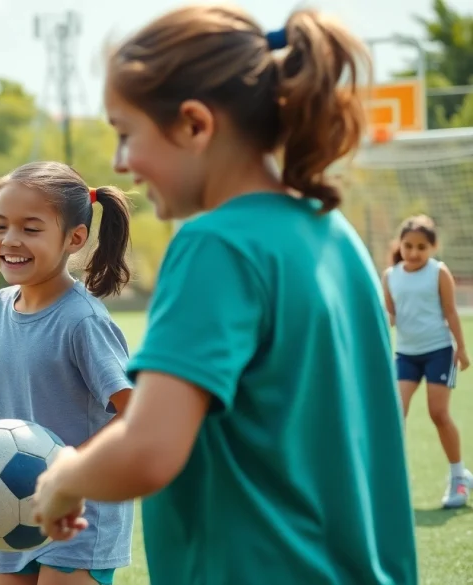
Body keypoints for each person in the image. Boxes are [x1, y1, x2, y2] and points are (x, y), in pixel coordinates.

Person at [29, 5, 419, 584]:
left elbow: (149, 449)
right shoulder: (334, 234)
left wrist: (63, 478)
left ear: (193, 124)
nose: (119, 163)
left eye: (125, 132)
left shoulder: (216, 246)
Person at [0, 161, 135, 585]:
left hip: (80, 511)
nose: (11, 241)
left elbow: (134, 413)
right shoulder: (3, 308)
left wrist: (71, 469)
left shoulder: (82, 321)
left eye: (31, 229)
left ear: (75, 238)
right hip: (13, 511)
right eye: (0, 226)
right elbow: (8, 398)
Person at [383, 214, 471, 508]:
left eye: (422, 246)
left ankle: (459, 477)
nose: (414, 252)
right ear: (400, 245)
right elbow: (392, 315)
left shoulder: (438, 272)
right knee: (395, 415)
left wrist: (461, 348)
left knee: (438, 414)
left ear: (432, 247)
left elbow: (450, 311)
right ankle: (390, 481)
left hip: (438, 351)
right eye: (408, 245)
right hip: (406, 355)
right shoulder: (390, 276)